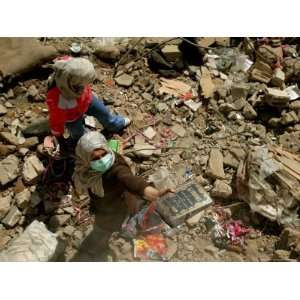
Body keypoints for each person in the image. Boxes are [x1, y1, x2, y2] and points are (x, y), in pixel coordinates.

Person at [73, 131, 174, 214]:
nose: (102, 160)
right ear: (85, 159)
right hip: (100, 202)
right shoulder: (84, 168)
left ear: (107, 149)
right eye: (95, 158)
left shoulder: (116, 168)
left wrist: (154, 193)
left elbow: (128, 179)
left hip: (118, 205)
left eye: (104, 154)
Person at [46, 56, 130, 145]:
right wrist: (58, 136)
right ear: (74, 83)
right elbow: (56, 120)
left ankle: (114, 125)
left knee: (105, 113)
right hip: (71, 116)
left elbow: (69, 60)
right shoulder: (57, 98)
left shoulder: (71, 65)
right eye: (84, 83)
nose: (87, 85)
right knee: (78, 134)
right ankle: (84, 141)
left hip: (88, 100)